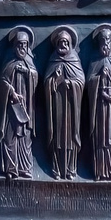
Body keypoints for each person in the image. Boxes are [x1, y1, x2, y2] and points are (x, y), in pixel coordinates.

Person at [42, 27, 86, 179]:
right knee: (57, 138)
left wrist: (71, 83)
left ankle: (71, 168)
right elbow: (46, 82)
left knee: (70, 139)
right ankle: (56, 168)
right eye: (60, 42)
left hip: (71, 107)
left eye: (66, 42)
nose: (63, 45)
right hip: (57, 107)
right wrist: (54, 78)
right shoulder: (53, 59)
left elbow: (81, 81)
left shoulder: (74, 59)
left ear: (70, 44)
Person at [0, 27, 37, 180]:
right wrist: (11, 91)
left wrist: (27, 72)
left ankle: (25, 168)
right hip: (11, 107)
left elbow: (35, 76)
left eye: (25, 45)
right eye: (19, 45)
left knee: (25, 138)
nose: (22, 48)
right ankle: (11, 169)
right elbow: (2, 81)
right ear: (14, 46)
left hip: (25, 106)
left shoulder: (29, 62)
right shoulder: (9, 61)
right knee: (9, 137)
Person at [86, 26, 111, 180]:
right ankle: (100, 171)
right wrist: (98, 78)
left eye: (108, 40)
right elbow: (88, 82)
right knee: (100, 137)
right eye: (103, 40)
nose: (105, 43)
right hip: (99, 107)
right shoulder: (95, 60)